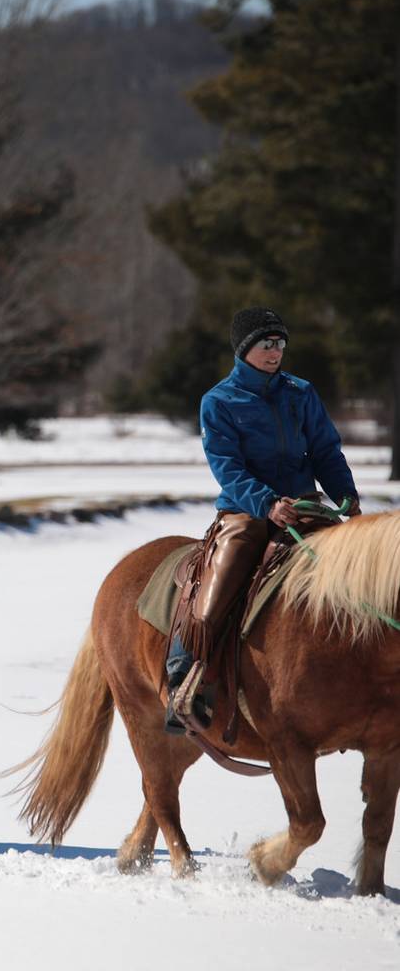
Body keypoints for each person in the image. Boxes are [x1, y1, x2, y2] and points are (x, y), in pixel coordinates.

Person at [166, 307, 359, 733]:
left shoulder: (301, 392)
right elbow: (226, 466)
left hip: (304, 505)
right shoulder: (218, 401)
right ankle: (185, 670)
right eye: (266, 344)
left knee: (351, 569)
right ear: (244, 349)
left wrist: (345, 492)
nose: (276, 352)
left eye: (280, 344)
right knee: (228, 565)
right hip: (246, 508)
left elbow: (325, 449)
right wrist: (267, 502)